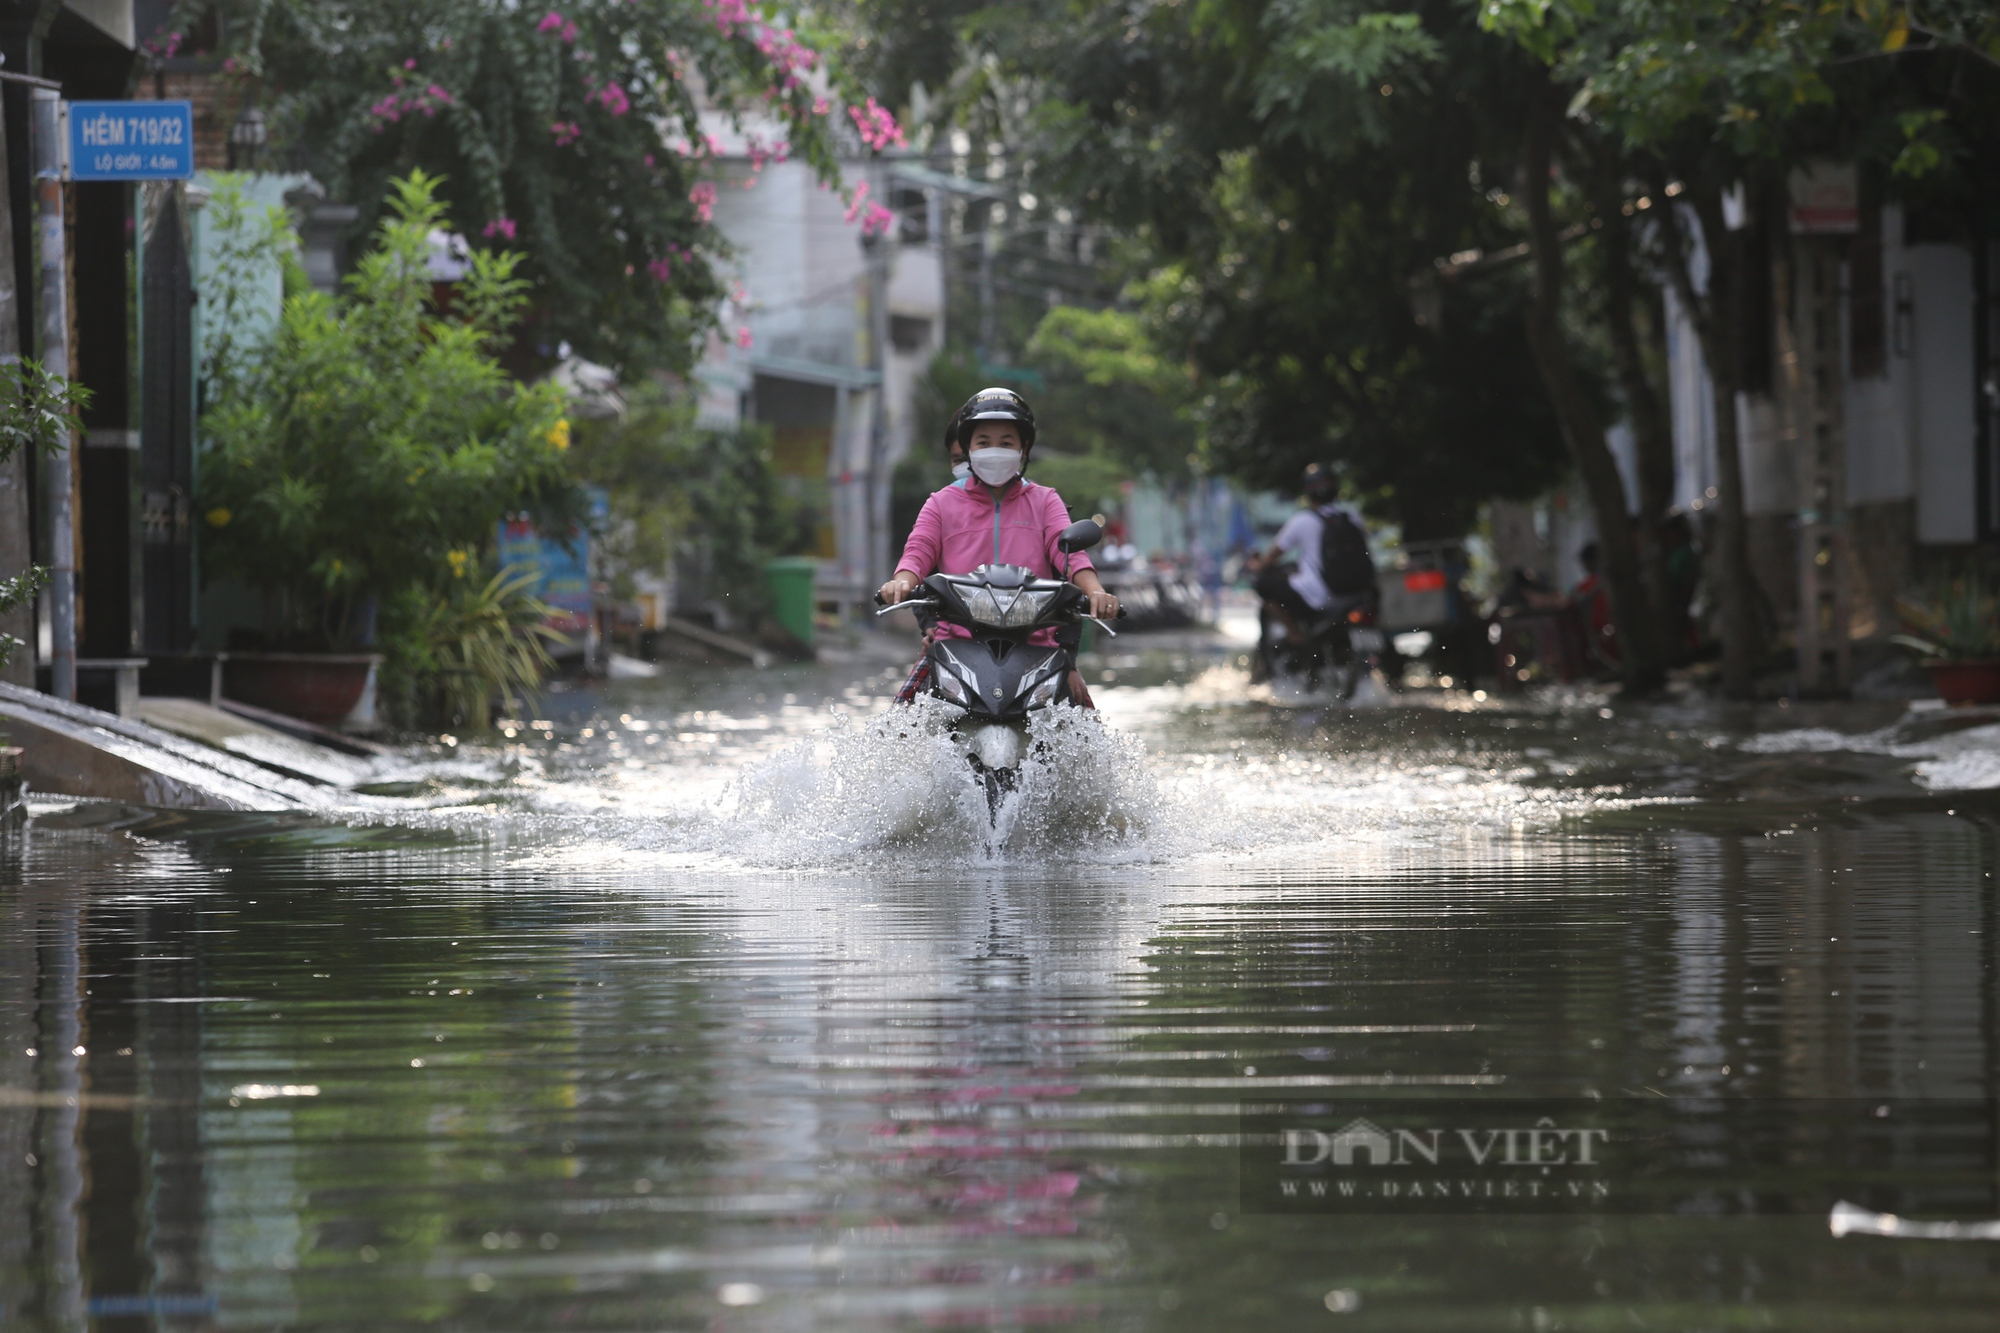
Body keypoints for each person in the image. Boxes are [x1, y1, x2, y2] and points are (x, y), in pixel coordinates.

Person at [882, 388, 1119, 707]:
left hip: (1038, 644)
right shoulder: (941, 504)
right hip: (956, 643)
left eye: (1006, 442)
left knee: (1087, 736)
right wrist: (901, 582)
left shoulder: (1045, 500)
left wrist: (1095, 591)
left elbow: (1070, 554)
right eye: (983, 442)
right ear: (967, 448)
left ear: (1024, 450)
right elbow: (917, 553)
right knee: (899, 728)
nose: (995, 450)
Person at [1245, 462, 1374, 642]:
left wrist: (1257, 566)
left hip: (1318, 598)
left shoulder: (1302, 520)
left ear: (1307, 492)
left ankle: (1295, 634)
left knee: (1263, 584)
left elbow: (1271, 557)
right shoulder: (1352, 518)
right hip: (1356, 596)